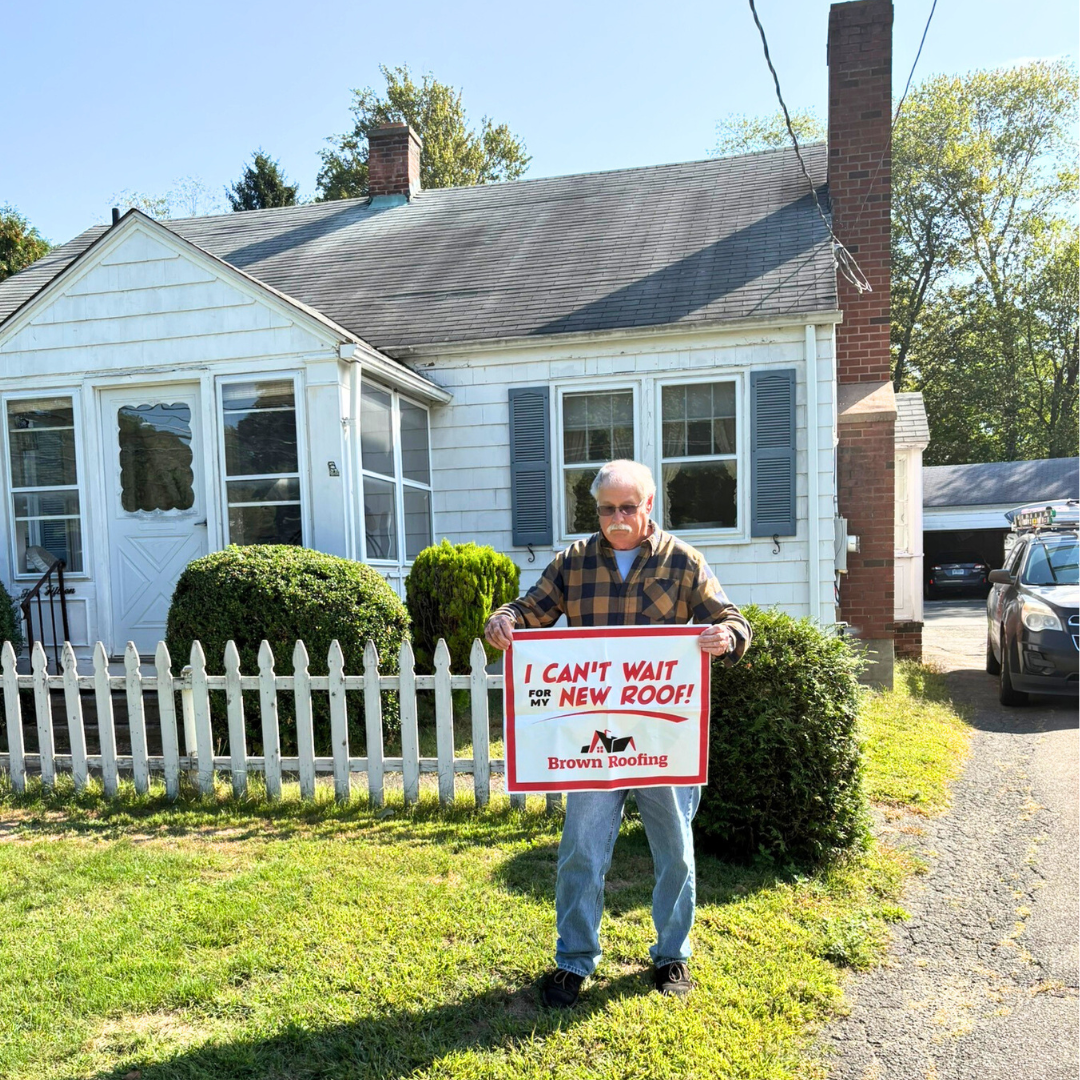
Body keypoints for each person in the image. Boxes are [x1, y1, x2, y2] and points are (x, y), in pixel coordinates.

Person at [484, 459, 751, 1005]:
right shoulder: (573, 563)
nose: (618, 517)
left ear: (649, 506)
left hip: (662, 739)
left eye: (629, 507)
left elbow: (733, 618)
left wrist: (725, 636)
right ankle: (574, 960)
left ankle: (672, 956)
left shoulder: (684, 562)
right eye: (608, 508)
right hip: (592, 741)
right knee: (581, 849)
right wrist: (504, 620)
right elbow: (529, 610)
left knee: (675, 850)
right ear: (597, 510)